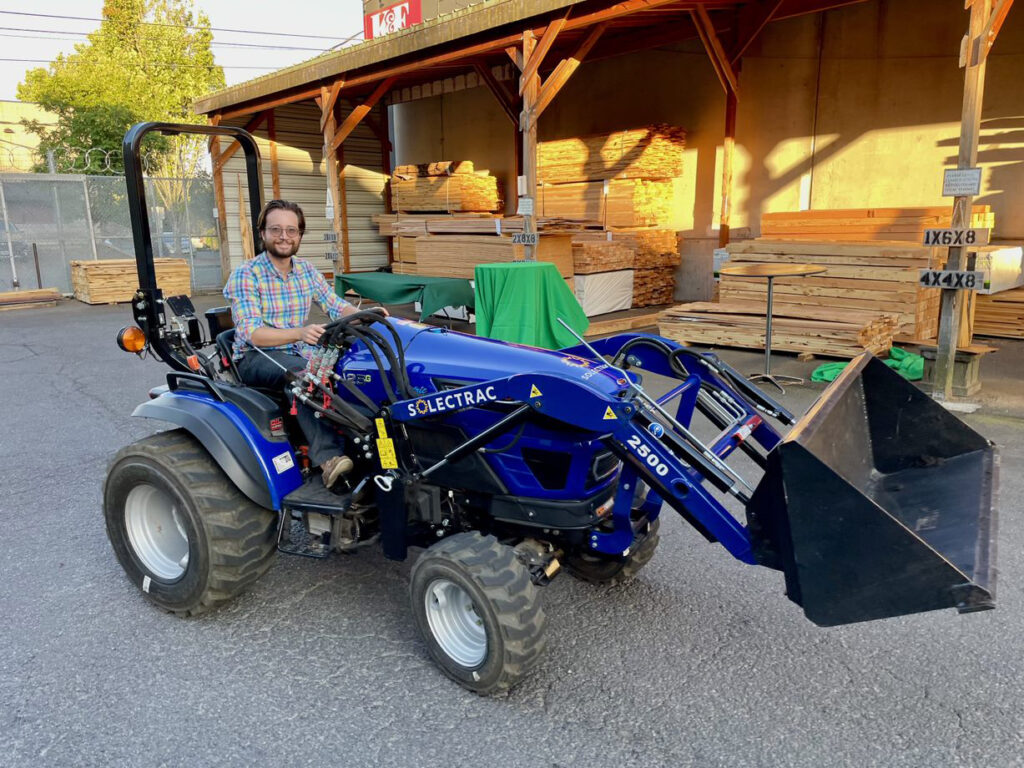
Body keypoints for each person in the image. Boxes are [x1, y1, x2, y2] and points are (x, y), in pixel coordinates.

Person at [223, 199, 388, 488]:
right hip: (257, 356)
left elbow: (336, 307)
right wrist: (300, 333)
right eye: (276, 229)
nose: (284, 236)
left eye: (291, 230)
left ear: (299, 235)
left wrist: (366, 315)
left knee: (356, 370)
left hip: (301, 350)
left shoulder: (307, 271)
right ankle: (329, 459)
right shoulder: (246, 275)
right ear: (262, 233)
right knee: (306, 376)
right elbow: (253, 332)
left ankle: (371, 444)